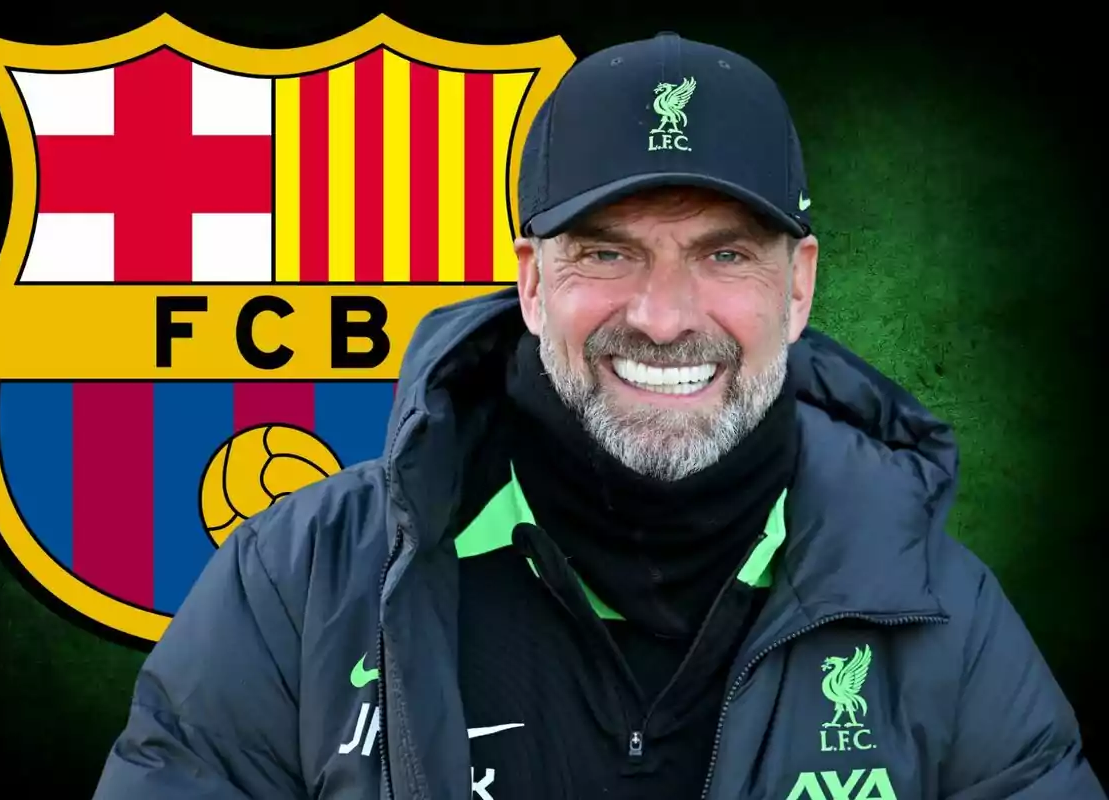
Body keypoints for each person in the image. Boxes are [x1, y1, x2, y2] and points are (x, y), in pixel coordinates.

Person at [92, 32, 1104, 799]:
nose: (663, 317)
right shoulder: (300, 585)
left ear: (799, 288)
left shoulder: (939, 617)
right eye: (608, 253)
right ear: (532, 284)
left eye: (724, 253)